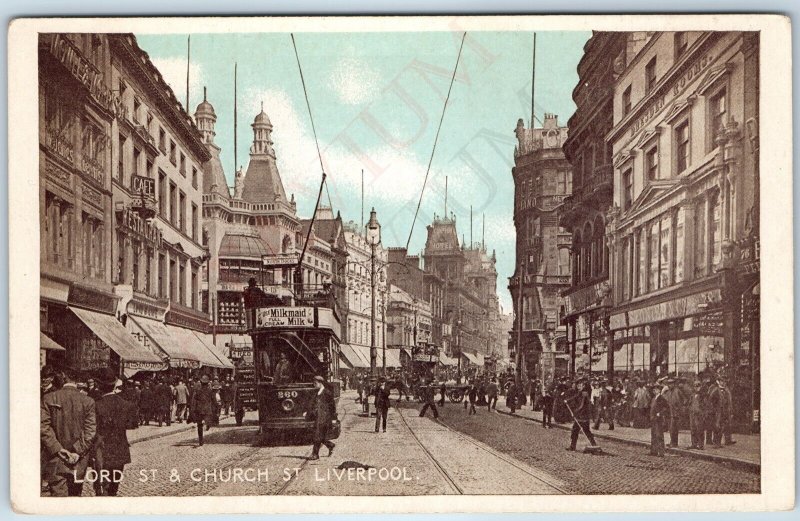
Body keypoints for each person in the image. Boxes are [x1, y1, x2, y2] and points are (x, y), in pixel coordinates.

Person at [41, 367, 97, 496]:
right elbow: (90, 431)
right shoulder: (88, 401)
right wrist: (77, 451)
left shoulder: (49, 398)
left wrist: (58, 449)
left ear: (63, 377)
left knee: (58, 496)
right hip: (78, 460)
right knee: (75, 495)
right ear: (78, 380)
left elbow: (44, 427)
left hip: (55, 458)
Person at [92, 369, 137, 496]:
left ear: (100, 386)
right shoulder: (126, 405)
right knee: (114, 487)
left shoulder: (97, 405)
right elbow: (131, 424)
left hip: (103, 451)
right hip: (120, 450)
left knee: (102, 488)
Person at [564, 379, 597, 451]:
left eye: (580, 385)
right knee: (586, 431)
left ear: (583, 386)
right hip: (583, 416)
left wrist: (575, 412)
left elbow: (582, 405)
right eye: (578, 385)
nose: (578, 387)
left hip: (582, 416)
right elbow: (575, 397)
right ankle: (594, 445)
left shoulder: (584, 393)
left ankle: (573, 447)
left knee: (575, 431)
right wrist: (567, 400)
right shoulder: (581, 392)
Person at [309, 375, 337, 459]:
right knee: (320, 436)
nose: (314, 385)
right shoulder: (316, 393)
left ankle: (315, 454)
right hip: (318, 417)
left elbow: (332, 407)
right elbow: (313, 405)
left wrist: (333, 418)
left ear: (320, 383)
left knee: (317, 435)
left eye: (315, 383)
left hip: (325, 418)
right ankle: (330, 445)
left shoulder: (327, 393)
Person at [190, 375, 216, 447]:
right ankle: (207, 425)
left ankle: (200, 440)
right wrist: (215, 408)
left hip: (199, 410)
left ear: (201, 383)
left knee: (199, 425)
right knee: (208, 421)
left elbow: (194, 401)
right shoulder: (210, 391)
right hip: (207, 410)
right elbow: (214, 401)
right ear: (208, 383)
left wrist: (193, 410)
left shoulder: (198, 391)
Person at [710, 377, 735, 447]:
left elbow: (729, 401)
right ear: (719, 382)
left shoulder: (726, 390)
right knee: (717, 426)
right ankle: (716, 443)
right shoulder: (715, 390)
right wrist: (714, 408)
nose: (724, 383)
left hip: (726, 411)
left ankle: (722, 442)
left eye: (725, 381)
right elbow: (711, 400)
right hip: (718, 412)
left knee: (724, 426)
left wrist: (730, 411)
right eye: (722, 381)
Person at [649, 381, 671, 457]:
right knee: (653, 435)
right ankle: (653, 451)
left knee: (659, 435)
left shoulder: (661, 398)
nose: (654, 390)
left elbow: (667, 407)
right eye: (654, 389)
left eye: (656, 389)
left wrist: (660, 413)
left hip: (658, 419)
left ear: (659, 390)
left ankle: (661, 452)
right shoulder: (653, 398)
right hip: (653, 419)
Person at [664, 378, 688, 447]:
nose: (670, 385)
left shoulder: (677, 391)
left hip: (676, 413)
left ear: (674, 384)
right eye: (668, 384)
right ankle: (672, 441)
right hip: (669, 413)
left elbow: (684, 400)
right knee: (671, 428)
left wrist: (680, 408)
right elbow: (665, 400)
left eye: (671, 384)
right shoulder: (668, 392)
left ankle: (674, 443)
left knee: (674, 428)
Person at [688, 380, 707, 450]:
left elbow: (705, 405)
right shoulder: (692, 395)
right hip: (692, 414)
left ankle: (701, 445)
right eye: (695, 386)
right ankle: (694, 444)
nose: (696, 388)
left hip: (699, 415)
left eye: (698, 386)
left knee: (700, 429)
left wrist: (703, 414)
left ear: (700, 387)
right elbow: (690, 403)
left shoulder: (703, 395)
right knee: (693, 429)